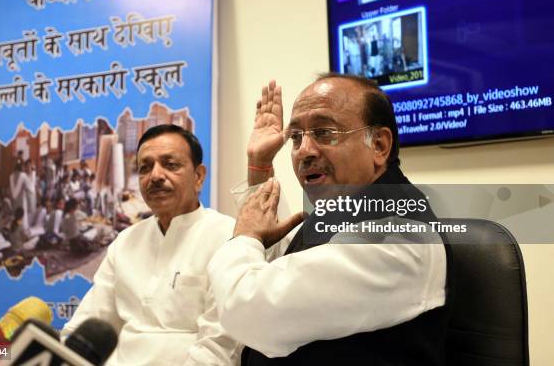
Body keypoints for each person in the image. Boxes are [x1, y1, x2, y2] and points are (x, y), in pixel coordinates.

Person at [207, 76, 450, 365]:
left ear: (379, 146)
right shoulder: (342, 206)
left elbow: (248, 311)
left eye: (324, 132)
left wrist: (243, 238)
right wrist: (260, 167)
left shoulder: (398, 236)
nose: (305, 151)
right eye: (296, 137)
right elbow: (285, 265)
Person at [62, 124, 241, 365]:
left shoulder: (227, 236)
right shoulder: (126, 241)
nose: (155, 176)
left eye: (170, 164)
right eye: (145, 168)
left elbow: (220, 344)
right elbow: (88, 323)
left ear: (198, 176)